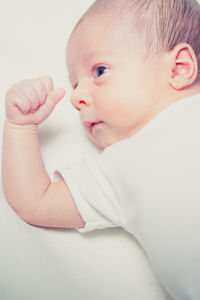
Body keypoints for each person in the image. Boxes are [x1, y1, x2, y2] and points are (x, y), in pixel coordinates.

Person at [2, 0, 200, 299]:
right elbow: (36, 200)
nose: (76, 96)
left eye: (99, 71)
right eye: (74, 83)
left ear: (179, 68)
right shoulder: (119, 165)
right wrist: (20, 127)